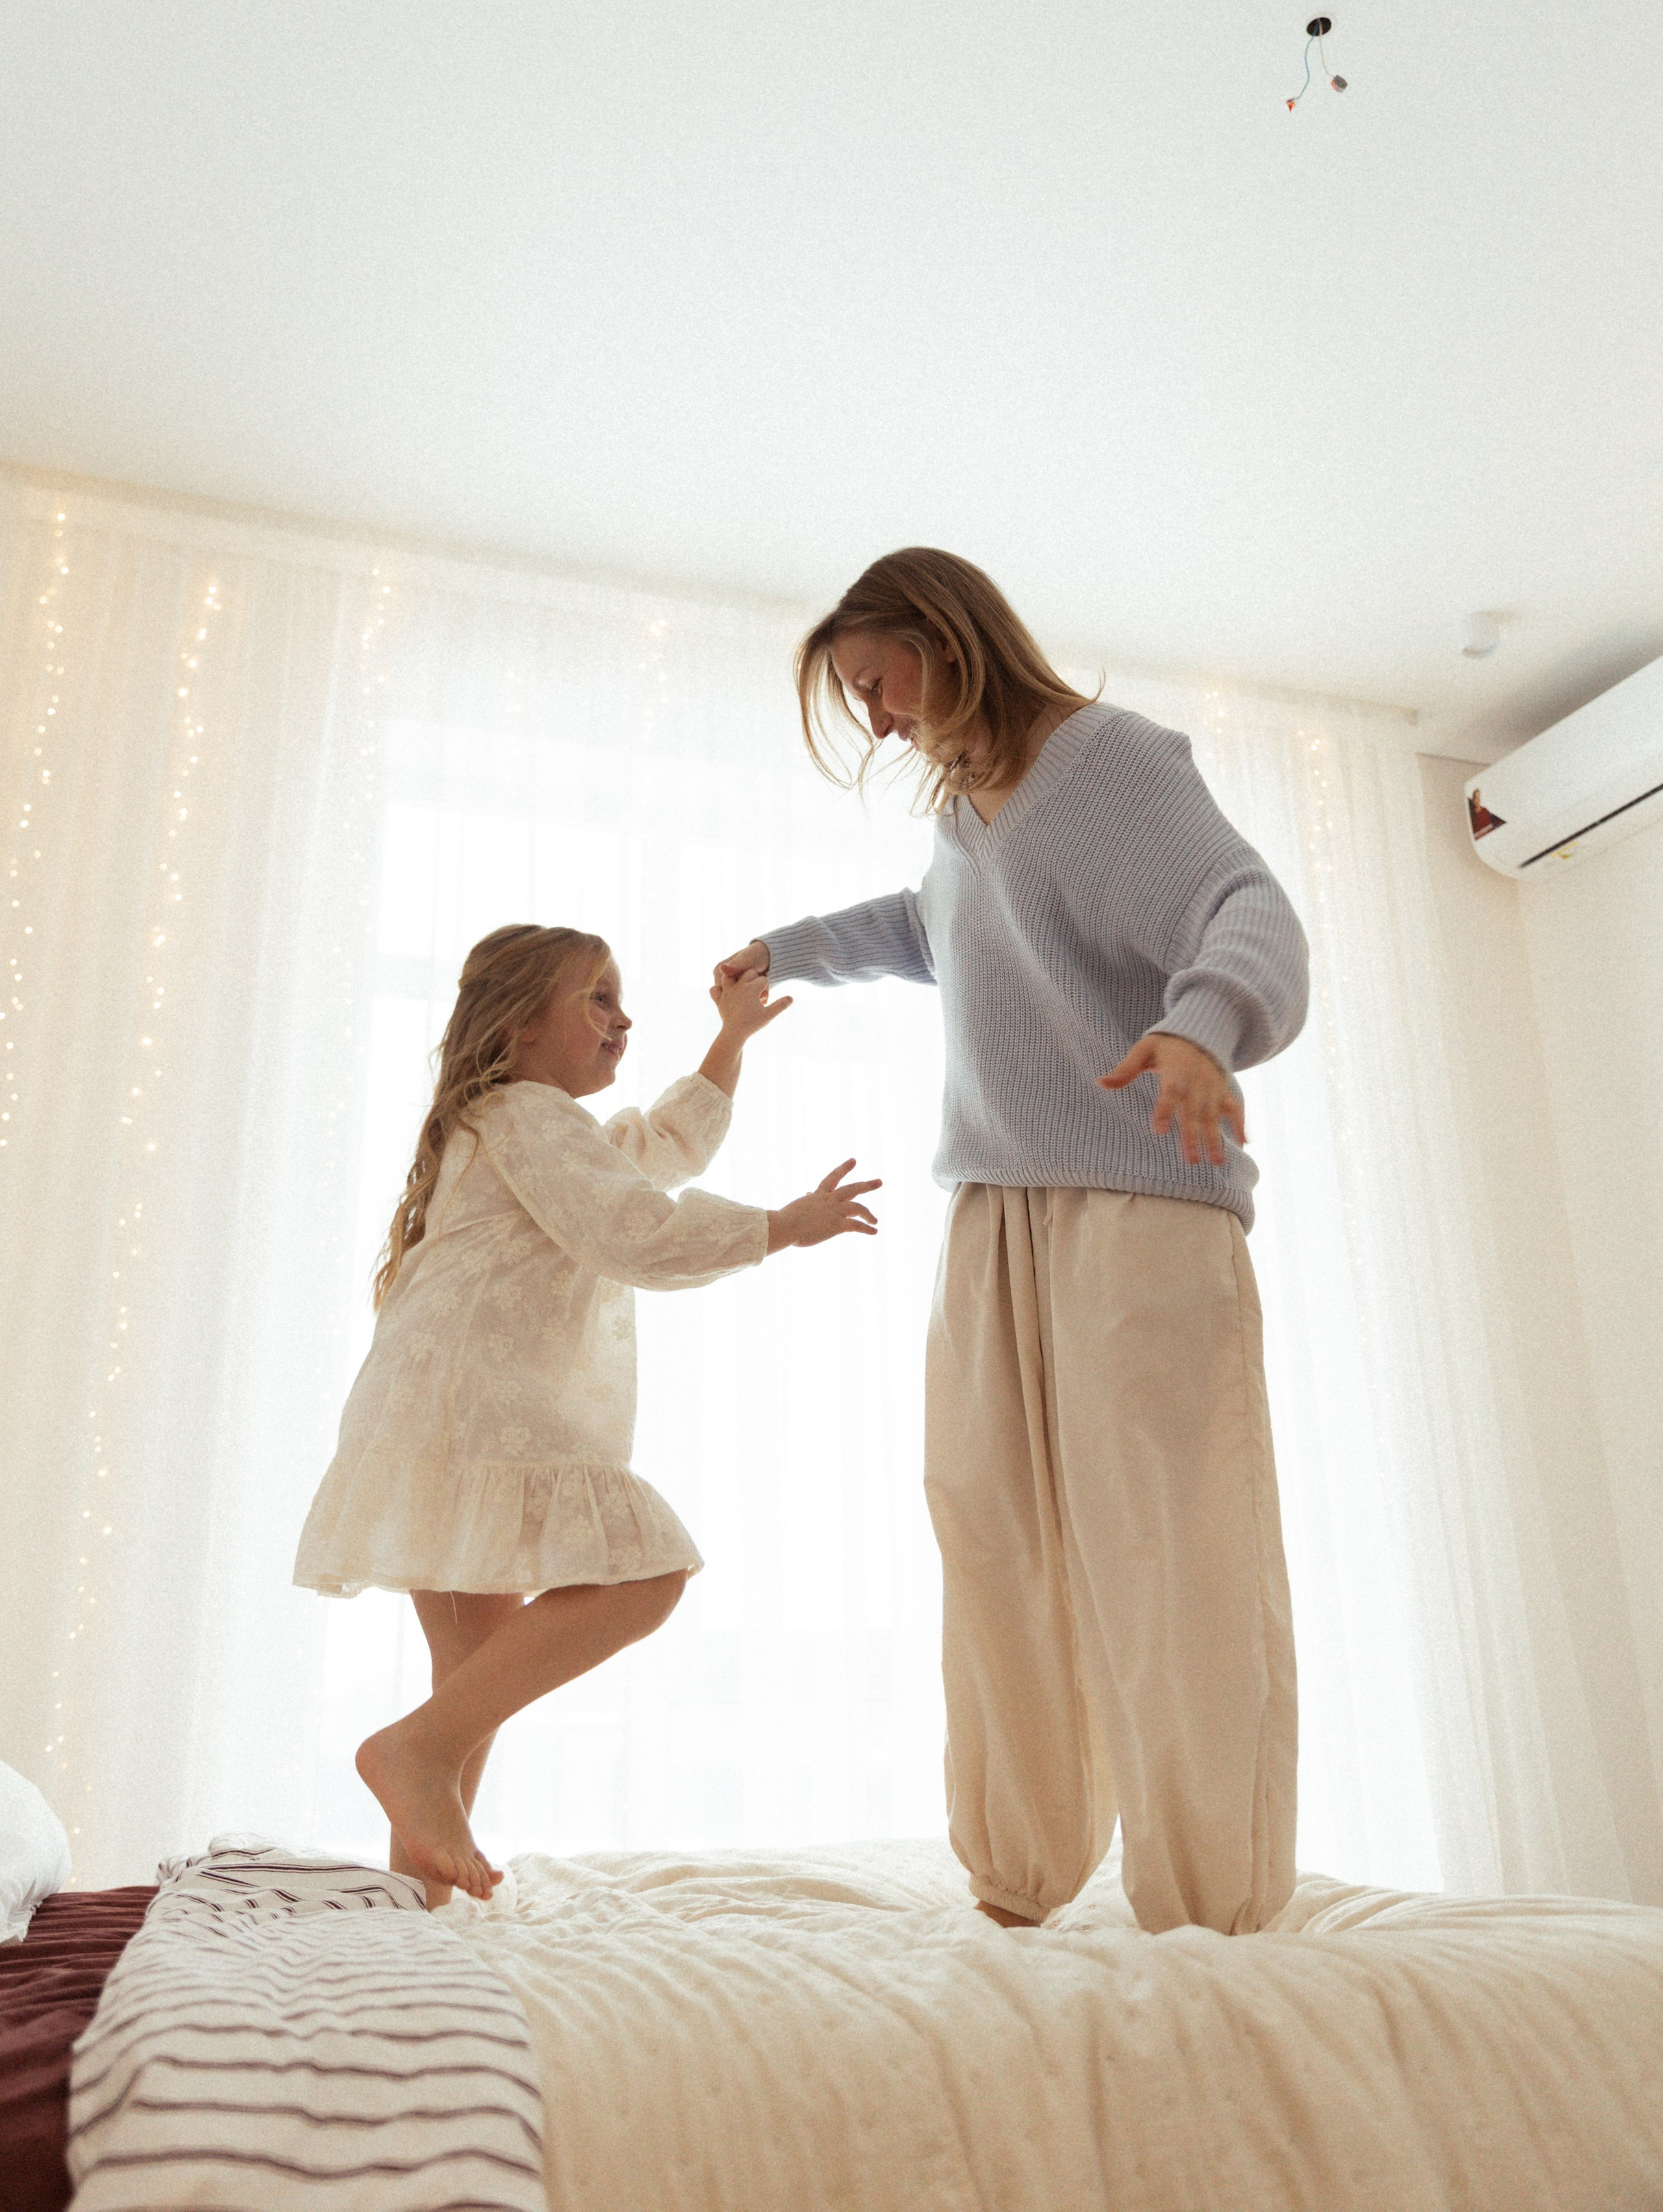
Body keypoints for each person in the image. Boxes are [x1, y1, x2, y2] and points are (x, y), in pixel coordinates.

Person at [717, 548, 1307, 1937]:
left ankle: (1211, 1904)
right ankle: (1022, 1872)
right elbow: (937, 928)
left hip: (1135, 1201)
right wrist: (784, 947)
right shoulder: (964, 813)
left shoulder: (1106, 763)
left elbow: (1245, 905)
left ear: (944, 634)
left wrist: (1196, 1025)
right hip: (991, 1209)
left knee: (1165, 1542)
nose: (873, 715)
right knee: (991, 1532)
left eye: (875, 679)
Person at [294, 922, 879, 1904]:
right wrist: (780, 1228)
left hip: (438, 1409)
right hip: (473, 1411)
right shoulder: (528, 1114)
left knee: (470, 1678)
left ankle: (414, 1915)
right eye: (597, 998)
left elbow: (655, 1152)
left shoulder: (524, 1122)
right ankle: (409, 1757)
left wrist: (728, 1041)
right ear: (522, 1025)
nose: (623, 1016)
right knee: (644, 1572)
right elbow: (631, 1229)